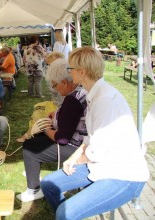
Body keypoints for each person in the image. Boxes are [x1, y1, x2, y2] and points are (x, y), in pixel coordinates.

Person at [41, 46, 149, 220]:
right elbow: (90, 138)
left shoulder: (105, 99)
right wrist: (73, 158)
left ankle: (69, 214)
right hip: (102, 166)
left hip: (124, 175)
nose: (69, 72)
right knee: (48, 184)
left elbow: (96, 151)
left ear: (82, 72)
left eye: (71, 68)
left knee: (64, 213)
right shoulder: (95, 94)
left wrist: (79, 159)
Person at [16, 58, 87, 202]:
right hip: (83, 142)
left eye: (55, 85)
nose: (55, 89)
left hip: (78, 147)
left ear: (64, 82)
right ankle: (33, 173)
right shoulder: (82, 89)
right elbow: (72, 117)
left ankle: (34, 190)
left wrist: (47, 127)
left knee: (30, 148)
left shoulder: (72, 100)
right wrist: (57, 115)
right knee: (36, 139)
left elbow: (62, 138)